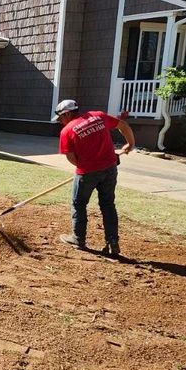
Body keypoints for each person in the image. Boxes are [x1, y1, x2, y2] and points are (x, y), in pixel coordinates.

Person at [54, 99, 136, 257]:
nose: (60, 122)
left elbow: (70, 157)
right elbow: (123, 126)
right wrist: (130, 144)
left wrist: (86, 167)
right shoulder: (99, 116)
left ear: (68, 113)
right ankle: (112, 241)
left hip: (87, 173)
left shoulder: (67, 131)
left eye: (61, 118)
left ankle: (78, 239)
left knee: (78, 204)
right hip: (110, 169)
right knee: (107, 204)